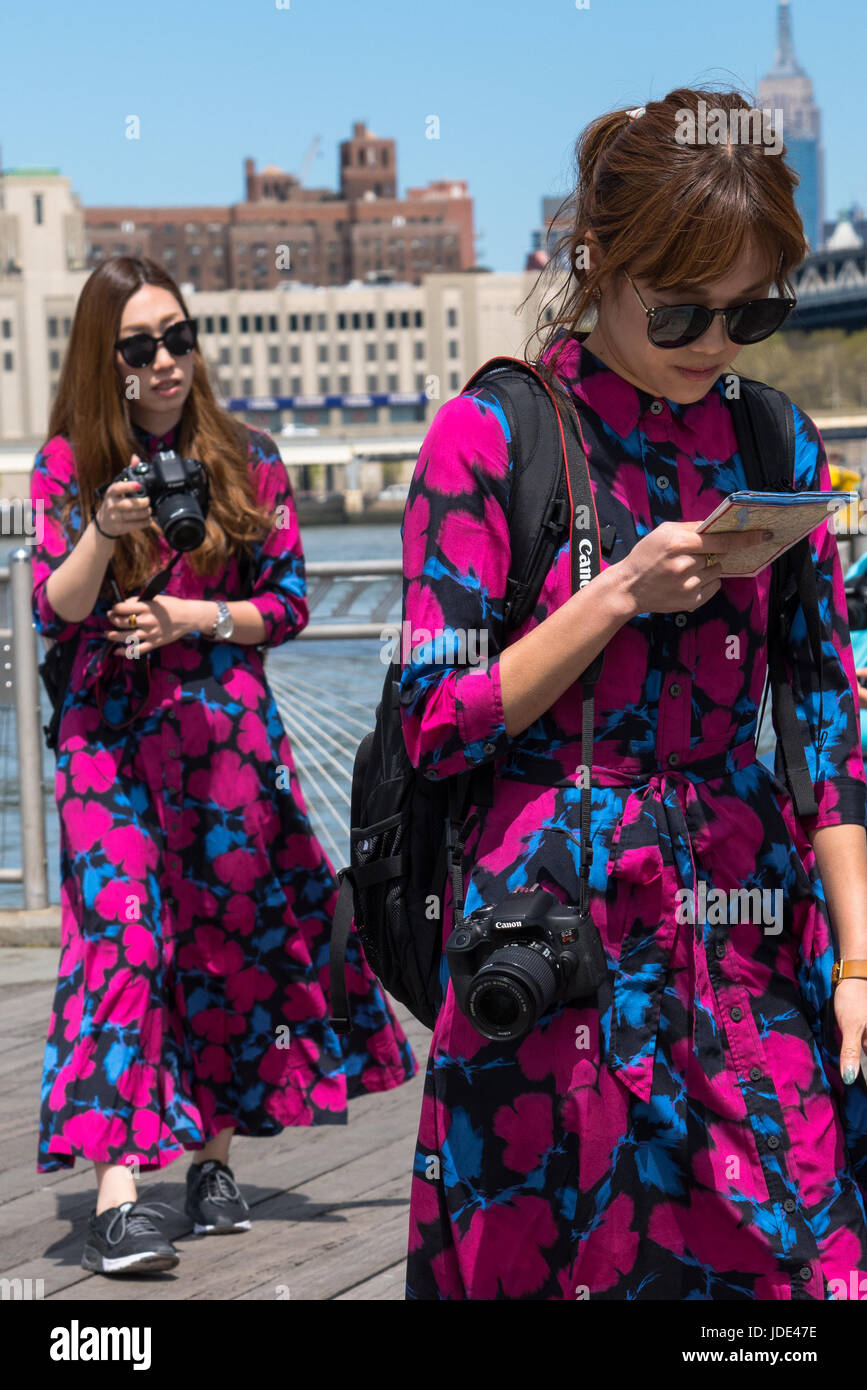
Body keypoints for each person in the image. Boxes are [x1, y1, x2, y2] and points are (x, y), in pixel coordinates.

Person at [399, 88, 867, 1300]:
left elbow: (821, 703)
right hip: (553, 926)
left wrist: (860, 959)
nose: (714, 341)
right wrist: (611, 598)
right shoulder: (490, 435)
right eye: (681, 307)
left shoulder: (773, 440)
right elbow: (431, 721)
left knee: (805, 1259)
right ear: (596, 258)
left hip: (742, 912)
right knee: (563, 1264)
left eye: (752, 311)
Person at [31, 255, 417, 1276]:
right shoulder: (68, 465)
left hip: (223, 739)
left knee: (224, 945)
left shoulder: (248, 454)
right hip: (105, 745)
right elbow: (53, 608)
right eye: (140, 346)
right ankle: (118, 1190)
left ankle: (208, 1161)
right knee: (123, 936)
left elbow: (287, 603)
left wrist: (191, 615)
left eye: (178, 337)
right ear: (103, 359)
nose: (165, 361)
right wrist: (101, 531)